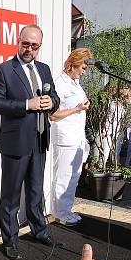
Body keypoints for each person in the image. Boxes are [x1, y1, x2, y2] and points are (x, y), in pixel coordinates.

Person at [0, 24, 60, 260]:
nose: (29, 49)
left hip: (40, 139)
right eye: (25, 44)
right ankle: (10, 240)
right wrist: (26, 105)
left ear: (40, 46)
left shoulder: (44, 69)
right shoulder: (4, 70)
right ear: (18, 42)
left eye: (34, 45)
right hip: (15, 143)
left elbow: (55, 97)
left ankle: (39, 229)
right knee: (10, 196)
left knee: (35, 190)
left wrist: (53, 103)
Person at [50, 47, 92, 226]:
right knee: (64, 176)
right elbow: (53, 114)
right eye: (83, 67)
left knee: (73, 176)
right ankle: (60, 212)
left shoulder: (75, 82)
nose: (84, 72)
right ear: (74, 63)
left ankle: (66, 210)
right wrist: (77, 108)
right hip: (65, 137)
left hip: (76, 137)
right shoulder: (60, 83)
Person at [103, 84, 131, 168]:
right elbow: (108, 117)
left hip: (121, 128)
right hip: (112, 128)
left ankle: (116, 164)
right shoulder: (114, 103)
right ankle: (107, 164)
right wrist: (105, 129)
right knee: (107, 149)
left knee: (118, 147)